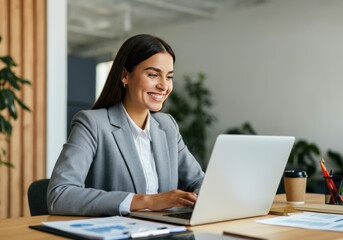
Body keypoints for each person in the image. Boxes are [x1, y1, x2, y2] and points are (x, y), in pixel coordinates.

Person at [47, 34, 204, 216]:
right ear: (125, 76)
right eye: (153, 75)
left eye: (169, 77)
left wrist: (202, 199)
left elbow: (200, 181)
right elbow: (59, 195)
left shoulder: (167, 126)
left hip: (165, 232)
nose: (164, 86)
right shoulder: (93, 124)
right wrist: (147, 201)